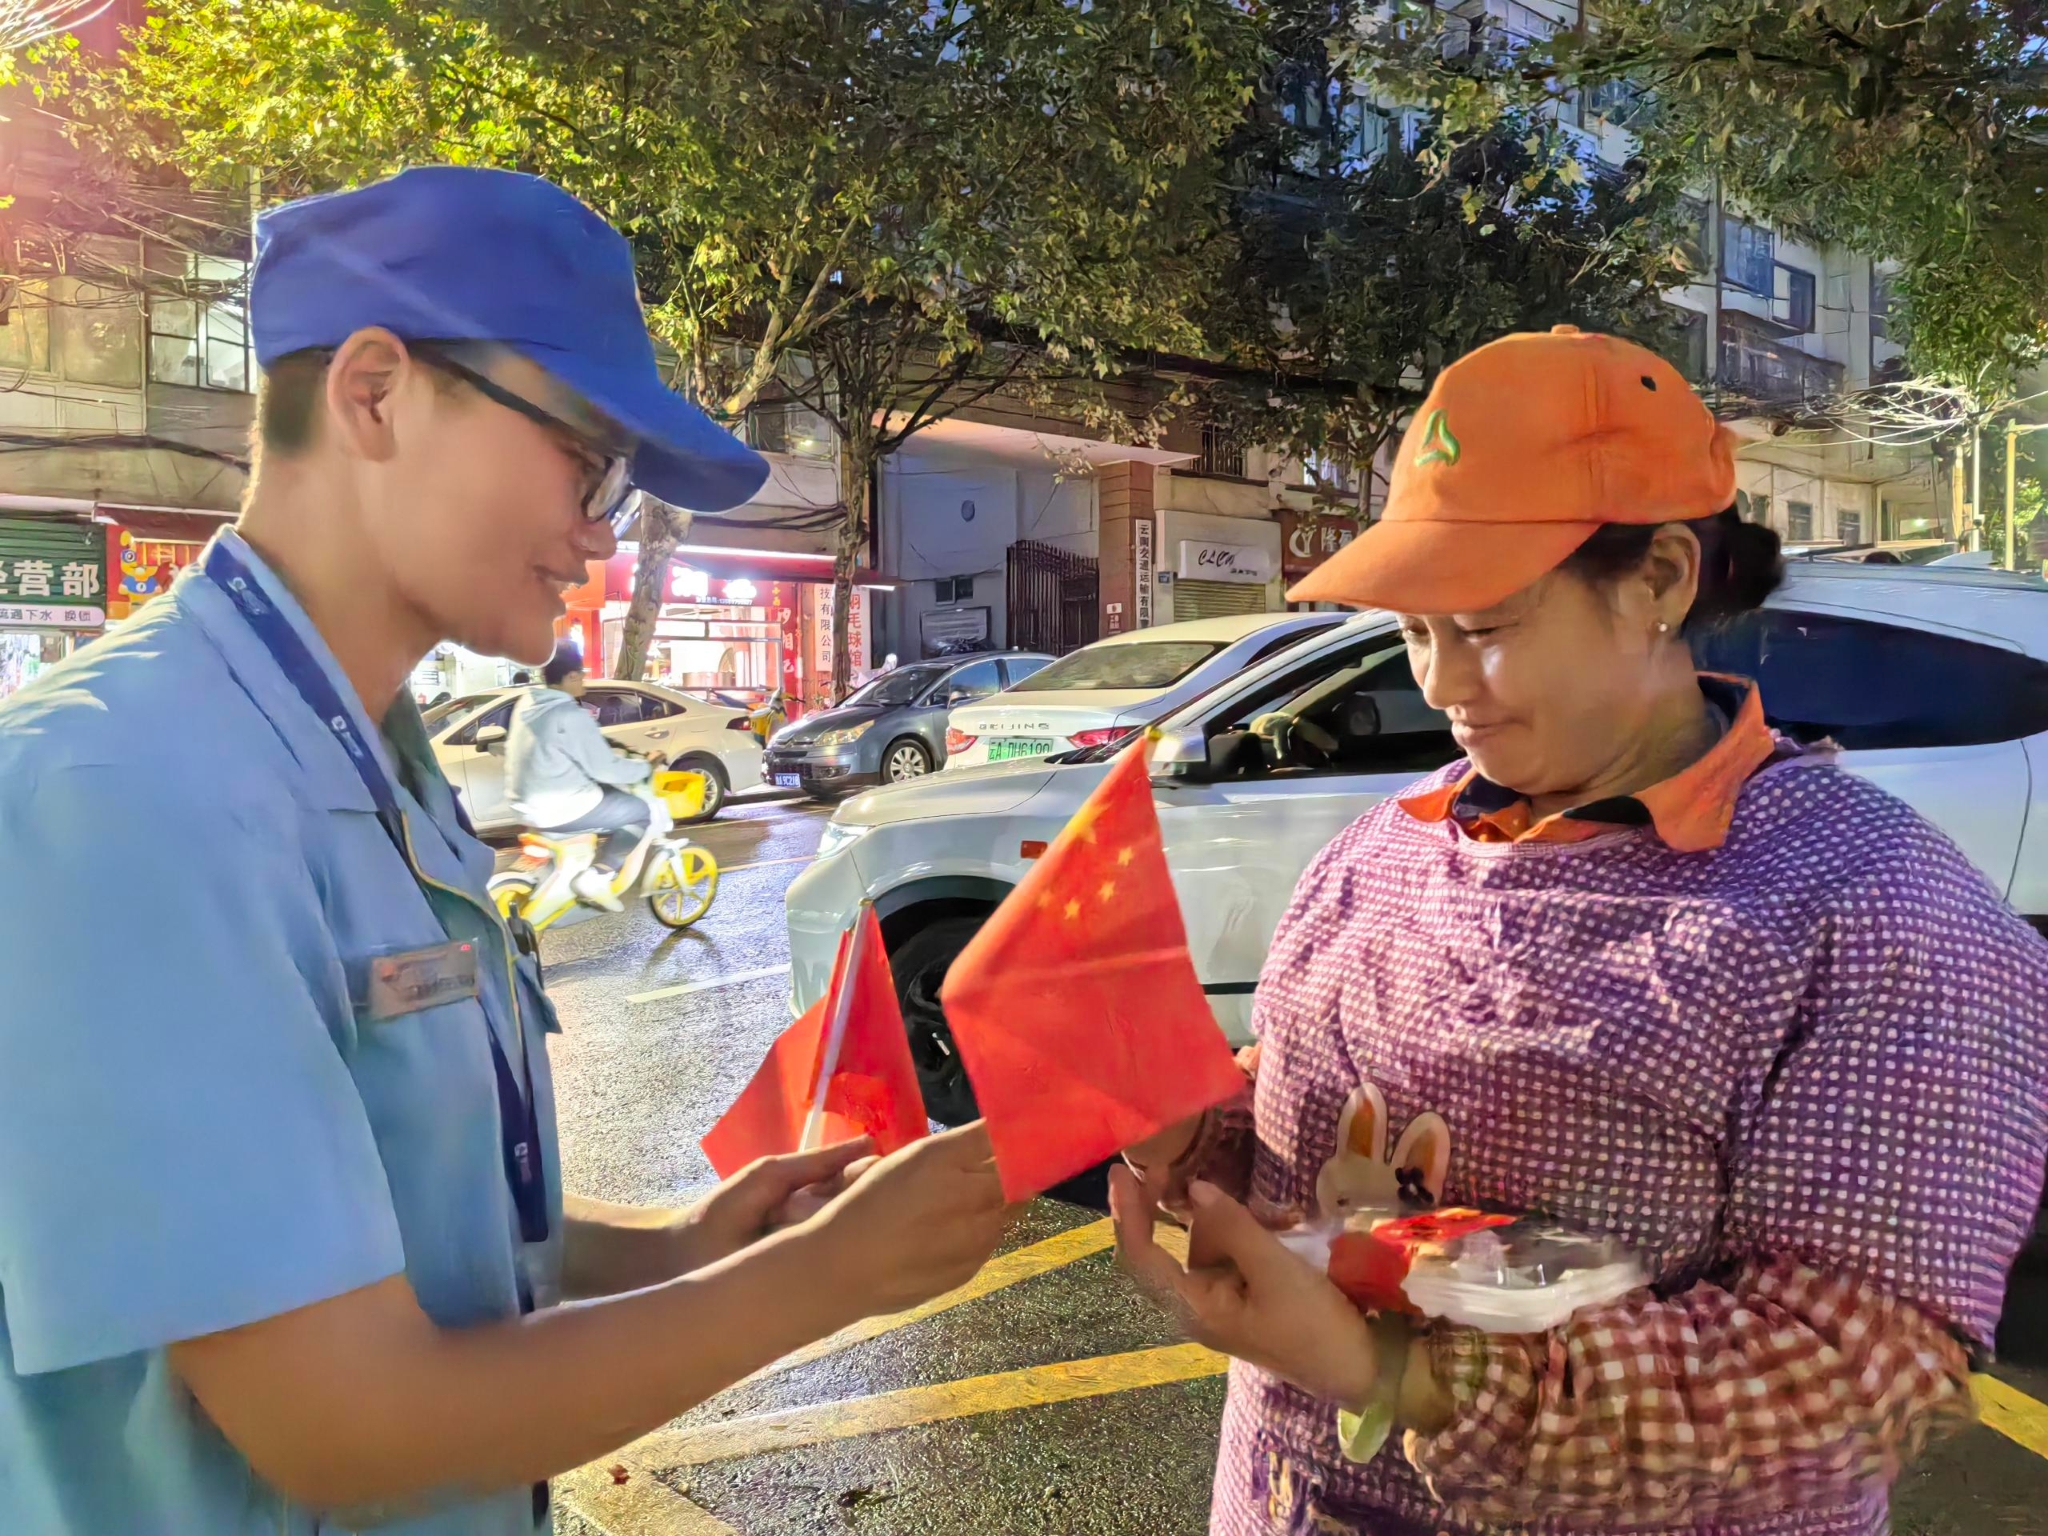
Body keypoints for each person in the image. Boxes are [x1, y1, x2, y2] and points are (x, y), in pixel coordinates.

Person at [0, 166, 1010, 1536]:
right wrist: (821, 1279)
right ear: (374, 395)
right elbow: (347, 1425)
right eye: (586, 463)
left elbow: (404, 1202)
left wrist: (677, 1249)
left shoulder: (382, 763)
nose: (601, 532)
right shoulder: (121, 795)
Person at [1110, 326, 2048, 1536]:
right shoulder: (1376, 853)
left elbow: (1855, 1375)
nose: (1440, 687)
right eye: (1413, 633)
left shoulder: (1872, 909)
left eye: (1486, 627)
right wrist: (1184, 1131)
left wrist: (1395, 1375)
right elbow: (1302, 1160)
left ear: (1658, 578)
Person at [506, 641, 658, 912]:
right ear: (572, 675)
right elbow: (605, 769)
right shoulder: (570, 715)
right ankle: (598, 875)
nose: (584, 680)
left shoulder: (526, 703)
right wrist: (645, 767)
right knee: (638, 811)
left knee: (606, 796)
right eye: (582, 674)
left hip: (522, 805)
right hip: (558, 809)